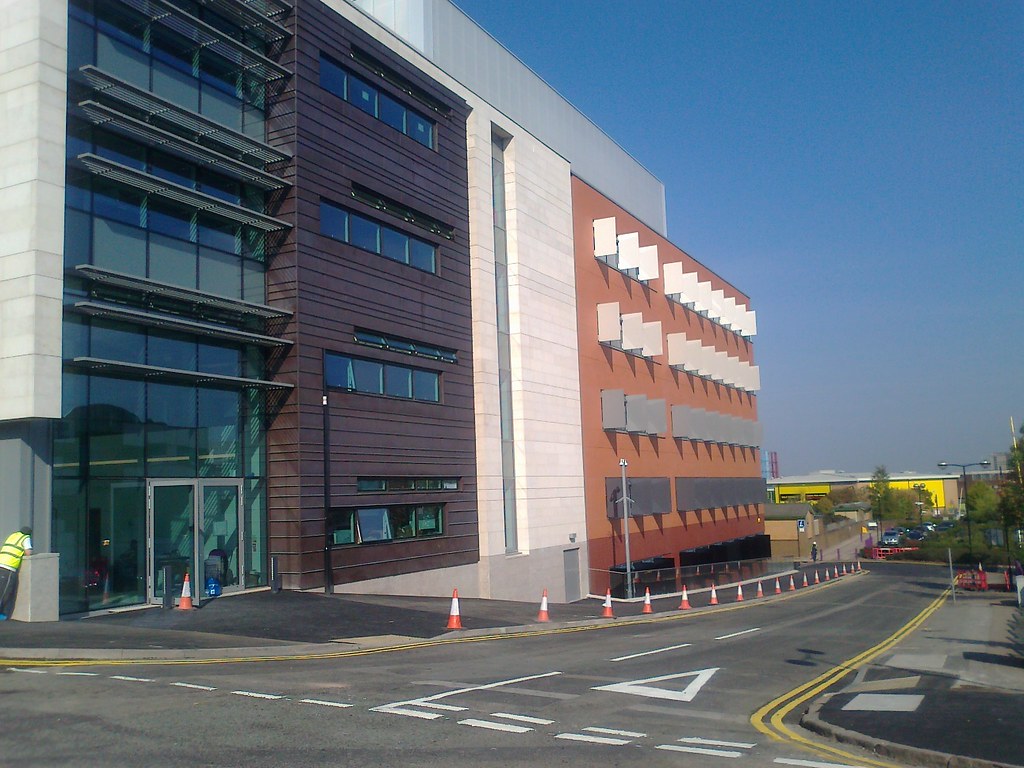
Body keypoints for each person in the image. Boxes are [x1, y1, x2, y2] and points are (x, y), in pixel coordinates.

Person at [0, 526, 33, 620]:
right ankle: (2, 614)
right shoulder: (25, 538)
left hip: (1, 562)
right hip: (9, 566)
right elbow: (28, 552)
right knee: (5, 591)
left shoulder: (13, 535)